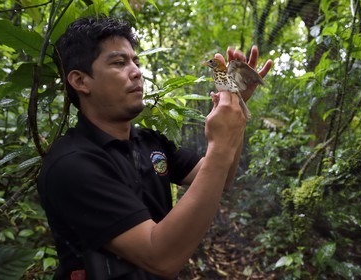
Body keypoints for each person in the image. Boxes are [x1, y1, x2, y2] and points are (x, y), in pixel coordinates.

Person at [37, 15, 272, 280]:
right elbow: (160, 257)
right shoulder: (71, 164)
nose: (136, 71)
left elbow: (223, 176)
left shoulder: (150, 142)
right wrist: (218, 145)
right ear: (80, 81)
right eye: (119, 62)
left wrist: (236, 105)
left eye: (135, 61)